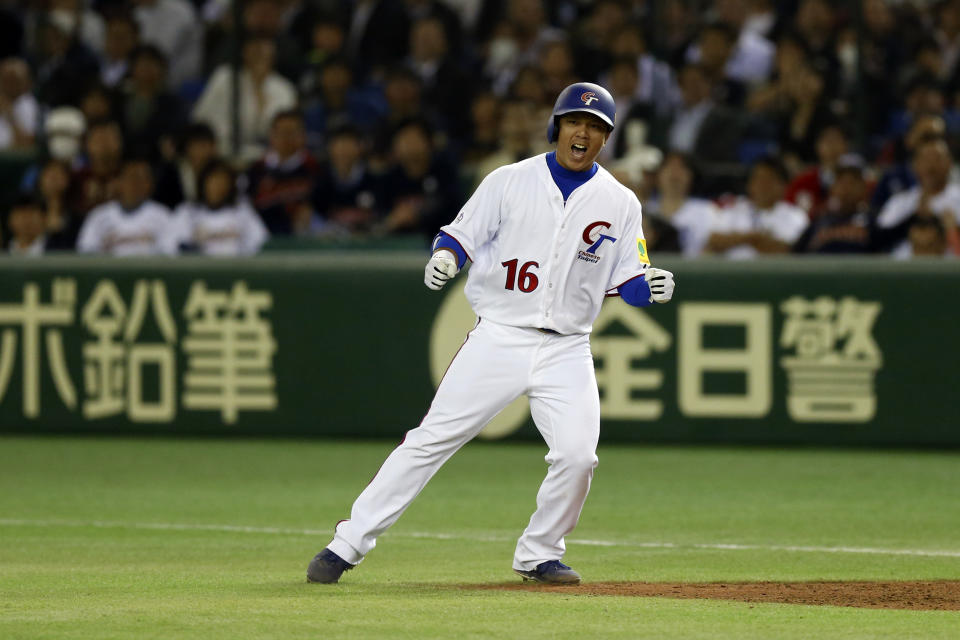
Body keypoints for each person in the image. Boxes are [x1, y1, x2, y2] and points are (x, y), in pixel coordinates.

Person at [306, 82, 676, 586]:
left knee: (577, 455)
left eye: (596, 127)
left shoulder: (620, 201)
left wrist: (649, 286)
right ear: (557, 126)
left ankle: (539, 553)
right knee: (432, 439)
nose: (583, 133)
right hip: (501, 335)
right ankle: (346, 543)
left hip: (567, 346)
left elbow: (628, 281)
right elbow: (460, 235)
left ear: (606, 138)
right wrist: (445, 257)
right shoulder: (508, 180)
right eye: (575, 122)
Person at [706, 156, 809, 257]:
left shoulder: (795, 215)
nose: (761, 185)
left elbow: (790, 250)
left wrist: (739, 239)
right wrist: (753, 238)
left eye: (767, 180)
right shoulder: (735, 207)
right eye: (757, 178)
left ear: (783, 186)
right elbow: (713, 241)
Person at [76, 156, 177, 255]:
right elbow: (85, 253)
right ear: (118, 182)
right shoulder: (98, 215)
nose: (135, 184)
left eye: (142, 179)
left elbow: (171, 254)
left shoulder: (162, 215)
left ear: (150, 184)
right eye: (131, 177)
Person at [172, 159, 268, 255]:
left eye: (223, 181)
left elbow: (261, 242)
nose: (218, 187)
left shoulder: (242, 211)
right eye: (213, 181)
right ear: (203, 183)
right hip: (197, 268)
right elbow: (171, 246)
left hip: (235, 267)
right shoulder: (187, 212)